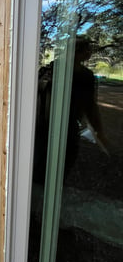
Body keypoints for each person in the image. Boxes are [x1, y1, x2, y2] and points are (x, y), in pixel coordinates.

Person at [33, 36, 107, 184]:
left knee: (61, 164)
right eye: (87, 49)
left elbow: (90, 106)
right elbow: (90, 106)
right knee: (44, 163)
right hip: (46, 128)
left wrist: (99, 131)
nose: (90, 53)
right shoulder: (51, 71)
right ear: (78, 52)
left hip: (65, 128)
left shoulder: (84, 75)